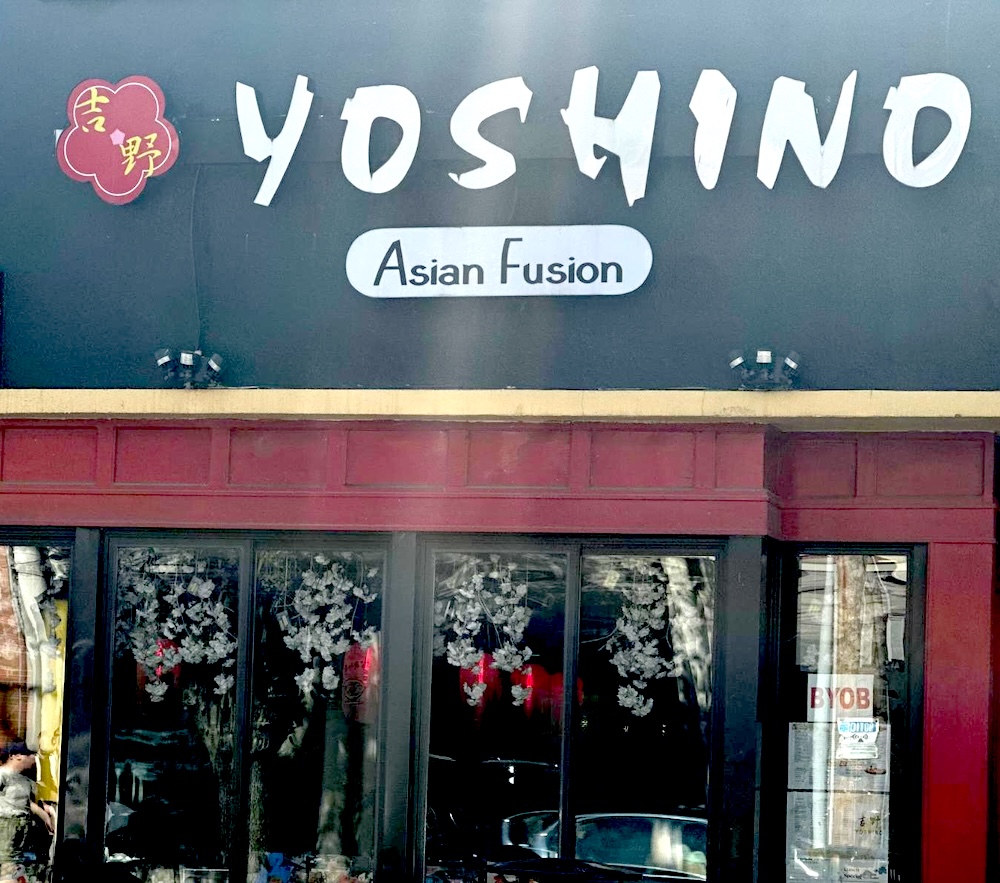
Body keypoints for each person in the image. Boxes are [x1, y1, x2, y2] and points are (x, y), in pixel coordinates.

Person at [0, 742, 54, 882]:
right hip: (6, 823)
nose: (34, 759)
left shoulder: (26, 781)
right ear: (15, 756)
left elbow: (29, 803)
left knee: (14, 863)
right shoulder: (3, 774)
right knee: (7, 862)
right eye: (30, 755)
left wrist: (47, 817)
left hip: (21, 827)